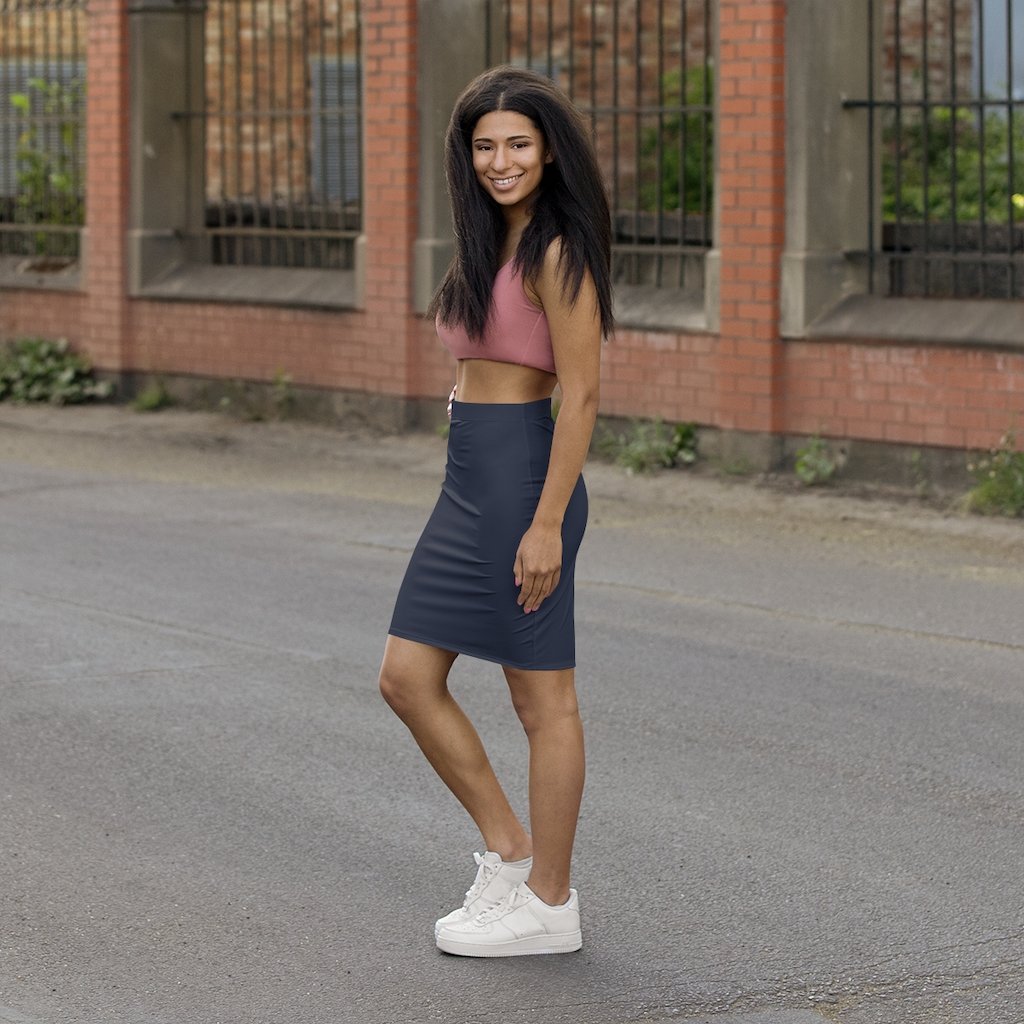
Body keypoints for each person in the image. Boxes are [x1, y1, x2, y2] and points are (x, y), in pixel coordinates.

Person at [378, 65, 613, 958]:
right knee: (405, 677)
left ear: (548, 150)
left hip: (523, 482)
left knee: (542, 700)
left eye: (517, 143)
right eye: (484, 146)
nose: (500, 161)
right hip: (468, 478)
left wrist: (547, 521)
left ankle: (550, 902)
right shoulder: (489, 245)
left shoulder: (558, 250)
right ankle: (509, 854)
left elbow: (583, 396)